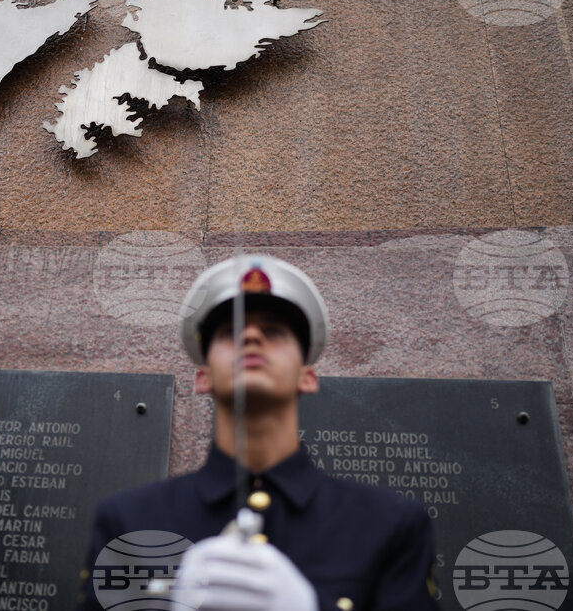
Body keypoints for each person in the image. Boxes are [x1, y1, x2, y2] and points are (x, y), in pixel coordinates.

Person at [75, 255, 439, 611]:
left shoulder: (389, 525)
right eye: (230, 332)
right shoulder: (129, 522)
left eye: (274, 331)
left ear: (307, 376)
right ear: (203, 377)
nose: (250, 336)